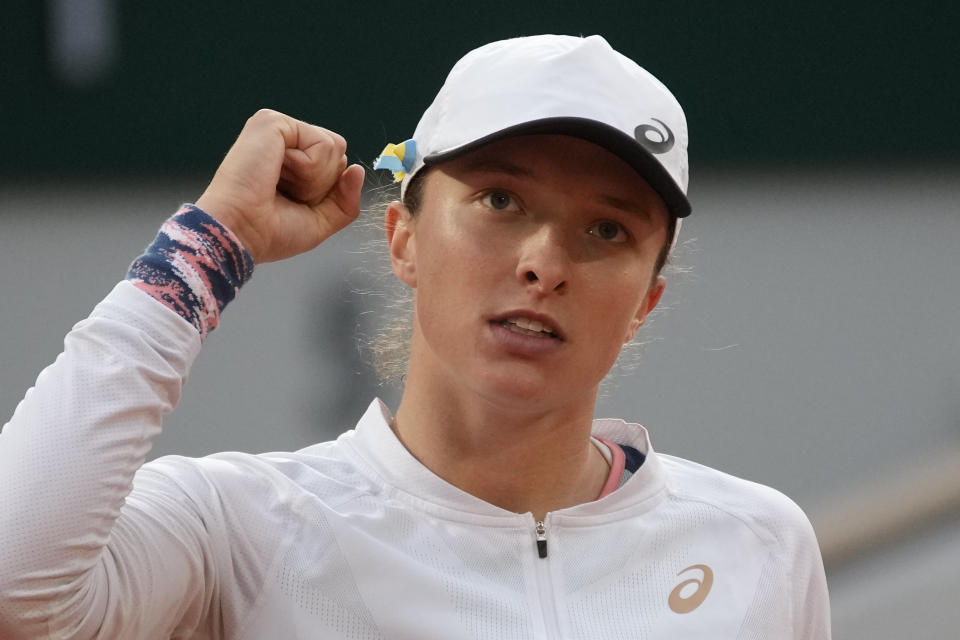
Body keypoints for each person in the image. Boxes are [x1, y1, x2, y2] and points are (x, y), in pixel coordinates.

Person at [0, 34, 830, 639]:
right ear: (402, 237)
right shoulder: (245, 525)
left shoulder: (756, 544)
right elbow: (15, 585)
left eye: (607, 231)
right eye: (502, 201)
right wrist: (205, 250)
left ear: (645, 301)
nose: (545, 263)